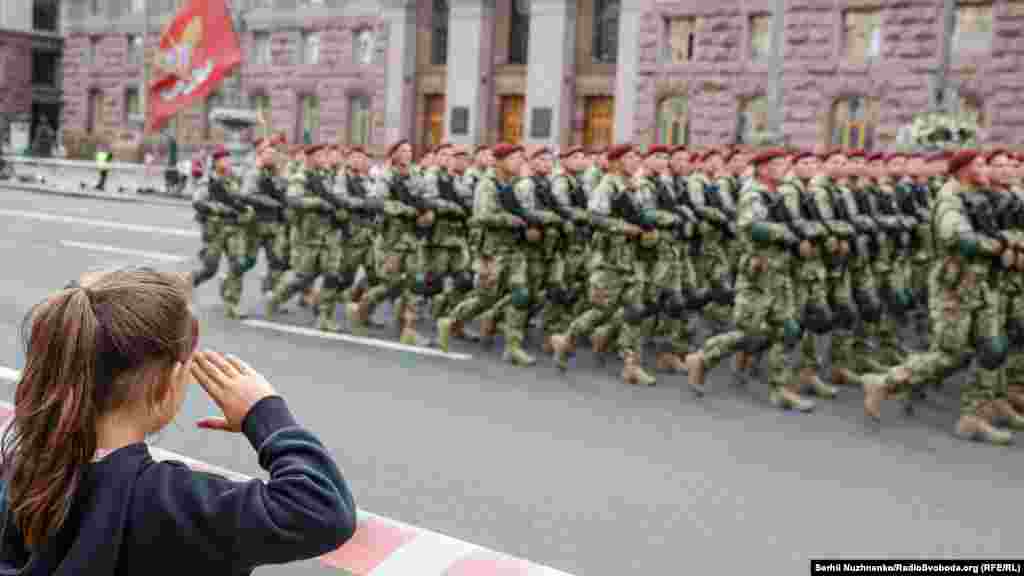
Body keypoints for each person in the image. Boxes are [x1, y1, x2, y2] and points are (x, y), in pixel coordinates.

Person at [0, 267, 356, 575]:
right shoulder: (173, 502)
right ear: (169, 383)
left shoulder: (20, 473)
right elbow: (321, 509)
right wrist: (265, 415)